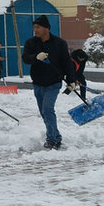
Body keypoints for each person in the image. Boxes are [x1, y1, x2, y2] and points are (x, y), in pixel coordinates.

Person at [22, 15, 76, 150]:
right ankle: (56, 136)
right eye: (34, 27)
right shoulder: (31, 43)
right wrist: (36, 57)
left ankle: (52, 139)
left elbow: (67, 62)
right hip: (38, 82)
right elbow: (25, 58)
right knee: (44, 112)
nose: (35, 30)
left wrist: (71, 80)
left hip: (53, 82)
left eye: (38, 27)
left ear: (47, 28)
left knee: (47, 109)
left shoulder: (59, 43)